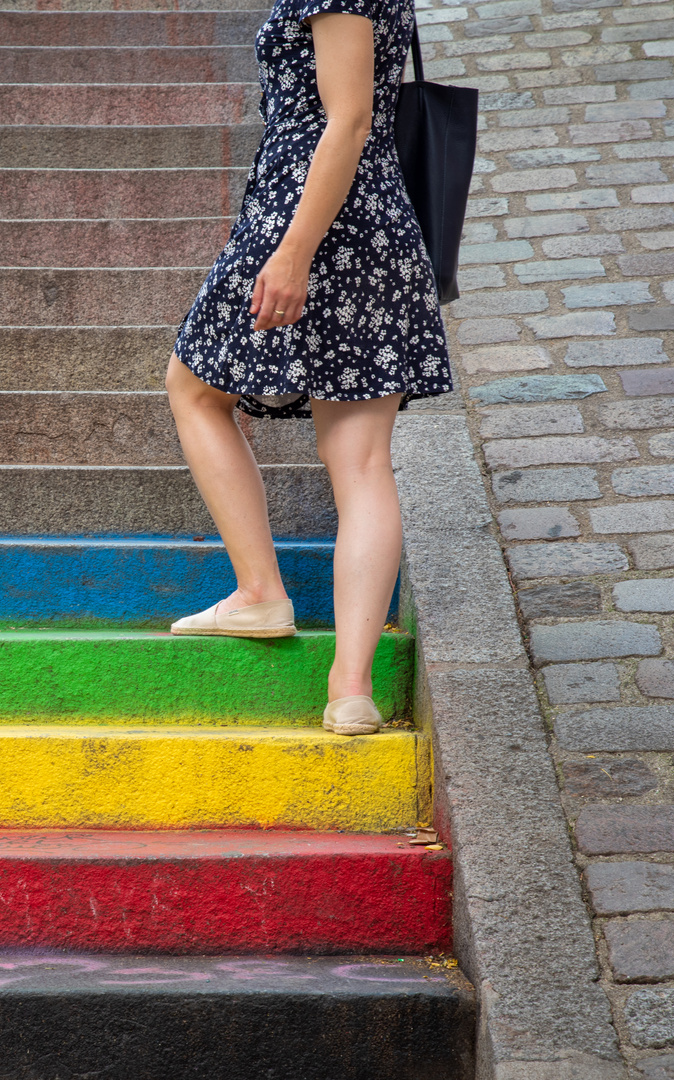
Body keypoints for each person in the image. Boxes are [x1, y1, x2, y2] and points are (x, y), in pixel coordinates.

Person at [166, 0, 453, 736]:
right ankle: (348, 688)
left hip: (317, 219)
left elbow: (349, 116)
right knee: (359, 461)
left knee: (194, 388)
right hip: (371, 223)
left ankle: (263, 591)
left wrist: (292, 253)